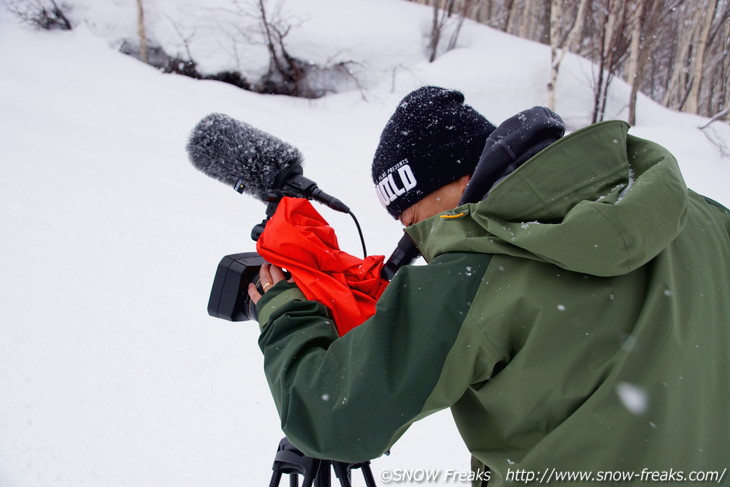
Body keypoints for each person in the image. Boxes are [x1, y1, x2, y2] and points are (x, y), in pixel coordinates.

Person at [248, 86, 730, 486]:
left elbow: (333, 420)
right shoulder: (705, 217)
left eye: (414, 221)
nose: (416, 242)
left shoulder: (477, 272)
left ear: (459, 182)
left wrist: (285, 315)